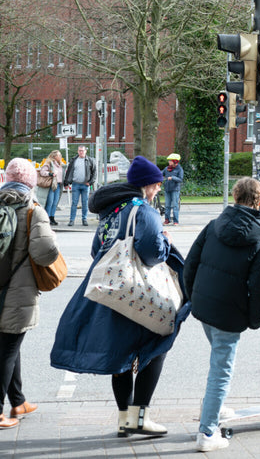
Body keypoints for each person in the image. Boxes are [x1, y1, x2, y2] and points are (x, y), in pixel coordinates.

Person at [51, 155, 189, 438]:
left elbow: (96, 250)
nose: (158, 189)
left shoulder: (112, 211)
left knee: (121, 356)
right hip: (138, 293)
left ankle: (124, 419)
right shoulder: (144, 211)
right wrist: (166, 241)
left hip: (113, 294)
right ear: (147, 185)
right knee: (156, 347)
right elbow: (152, 253)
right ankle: (140, 417)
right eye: (156, 184)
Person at [184, 176, 260, 452]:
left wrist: (193, 298)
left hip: (205, 308)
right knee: (221, 370)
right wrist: (254, 321)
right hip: (230, 314)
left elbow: (190, 265)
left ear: (235, 197)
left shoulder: (213, 227)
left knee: (218, 360)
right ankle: (207, 432)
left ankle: (216, 406)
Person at [0, 159, 59, 429]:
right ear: (31, 182)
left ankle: (18, 401)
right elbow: (45, 253)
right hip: (17, 292)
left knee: (10, 346)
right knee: (7, 350)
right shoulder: (33, 210)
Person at [63, 145, 96, 227]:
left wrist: (90, 182)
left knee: (85, 203)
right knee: (74, 203)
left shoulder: (90, 160)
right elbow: (69, 172)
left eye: (82, 150)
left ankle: (84, 219)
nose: (81, 152)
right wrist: (66, 183)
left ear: (85, 151)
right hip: (75, 184)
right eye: (79, 150)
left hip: (85, 185)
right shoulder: (74, 160)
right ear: (78, 151)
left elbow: (94, 173)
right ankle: (72, 220)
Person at [38, 151, 64, 226]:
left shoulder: (60, 164)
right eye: (59, 155)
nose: (60, 157)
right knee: (50, 202)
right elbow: (42, 172)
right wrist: (50, 174)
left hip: (58, 185)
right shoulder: (49, 163)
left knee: (55, 202)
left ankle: (52, 217)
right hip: (52, 185)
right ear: (54, 156)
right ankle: (47, 217)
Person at [162, 154, 184, 226]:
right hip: (167, 189)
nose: (169, 162)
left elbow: (180, 179)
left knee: (175, 205)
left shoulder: (179, 169)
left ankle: (175, 221)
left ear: (175, 162)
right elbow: (161, 173)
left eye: (170, 161)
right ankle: (167, 220)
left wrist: (173, 178)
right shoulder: (166, 168)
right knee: (167, 205)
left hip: (175, 190)